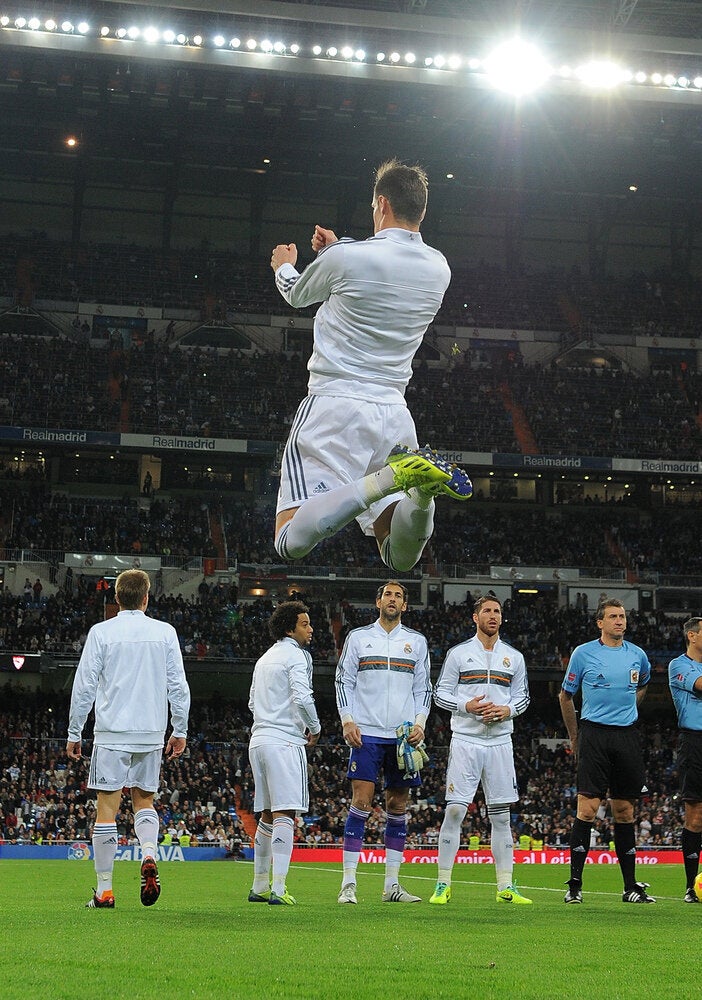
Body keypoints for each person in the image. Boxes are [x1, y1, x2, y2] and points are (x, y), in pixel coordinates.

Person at [270, 158, 472, 573]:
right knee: (397, 556)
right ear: (423, 209)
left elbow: (296, 293)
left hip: (335, 405)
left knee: (288, 541)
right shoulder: (440, 267)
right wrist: (340, 249)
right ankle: (421, 495)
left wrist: (284, 264)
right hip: (394, 415)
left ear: (381, 203)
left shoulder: (348, 257)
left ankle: (385, 480)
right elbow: (377, 269)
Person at [66, 568, 190, 909]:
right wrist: (180, 729)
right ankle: (149, 854)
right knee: (144, 801)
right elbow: (178, 685)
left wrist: (74, 731)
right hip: (150, 733)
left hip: (111, 733)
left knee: (107, 807)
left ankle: (105, 891)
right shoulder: (165, 633)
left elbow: (85, 685)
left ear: (117, 598)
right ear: (146, 598)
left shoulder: (102, 632)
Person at [429, 596, 532, 905]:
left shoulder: (513, 657)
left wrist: (507, 710)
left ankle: (505, 888)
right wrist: (467, 706)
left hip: (500, 742)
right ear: (475, 617)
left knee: (501, 818)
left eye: (497, 611)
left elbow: (523, 697)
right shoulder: (459, 654)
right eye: (486, 610)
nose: (492, 615)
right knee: (456, 809)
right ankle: (442, 884)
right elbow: (440, 695)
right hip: (466, 741)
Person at [335, 580, 431, 904]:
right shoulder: (359, 639)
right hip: (366, 733)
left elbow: (423, 689)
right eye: (387, 594)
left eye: (398, 596)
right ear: (378, 602)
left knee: (398, 805)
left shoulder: (416, 643)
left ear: (405, 605)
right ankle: (348, 882)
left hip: (402, 736)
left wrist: (420, 723)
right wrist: (347, 720)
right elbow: (342, 680)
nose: (392, 599)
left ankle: (392, 885)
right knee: (361, 802)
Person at [558, 598, 653, 904]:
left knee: (625, 811)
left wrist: (630, 711)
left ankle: (630, 888)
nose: (619, 621)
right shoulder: (583, 653)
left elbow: (643, 685)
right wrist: (576, 737)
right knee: (587, 809)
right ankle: (574, 886)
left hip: (626, 737)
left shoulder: (637, 655)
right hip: (594, 735)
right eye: (613, 617)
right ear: (600, 623)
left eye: (622, 616)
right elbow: (565, 696)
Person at [247, 601, 321, 906]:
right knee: (285, 813)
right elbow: (302, 696)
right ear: (290, 628)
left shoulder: (265, 658)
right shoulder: (296, 656)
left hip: (258, 740)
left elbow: (252, 703)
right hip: (285, 742)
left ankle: (259, 885)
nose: (311, 628)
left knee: (266, 814)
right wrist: (313, 727)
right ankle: (279, 888)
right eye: (305, 623)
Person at [668, 616, 702, 903]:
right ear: (692, 635)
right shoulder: (680, 665)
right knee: (696, 815)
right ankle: (691, 885)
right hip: (694, 742)